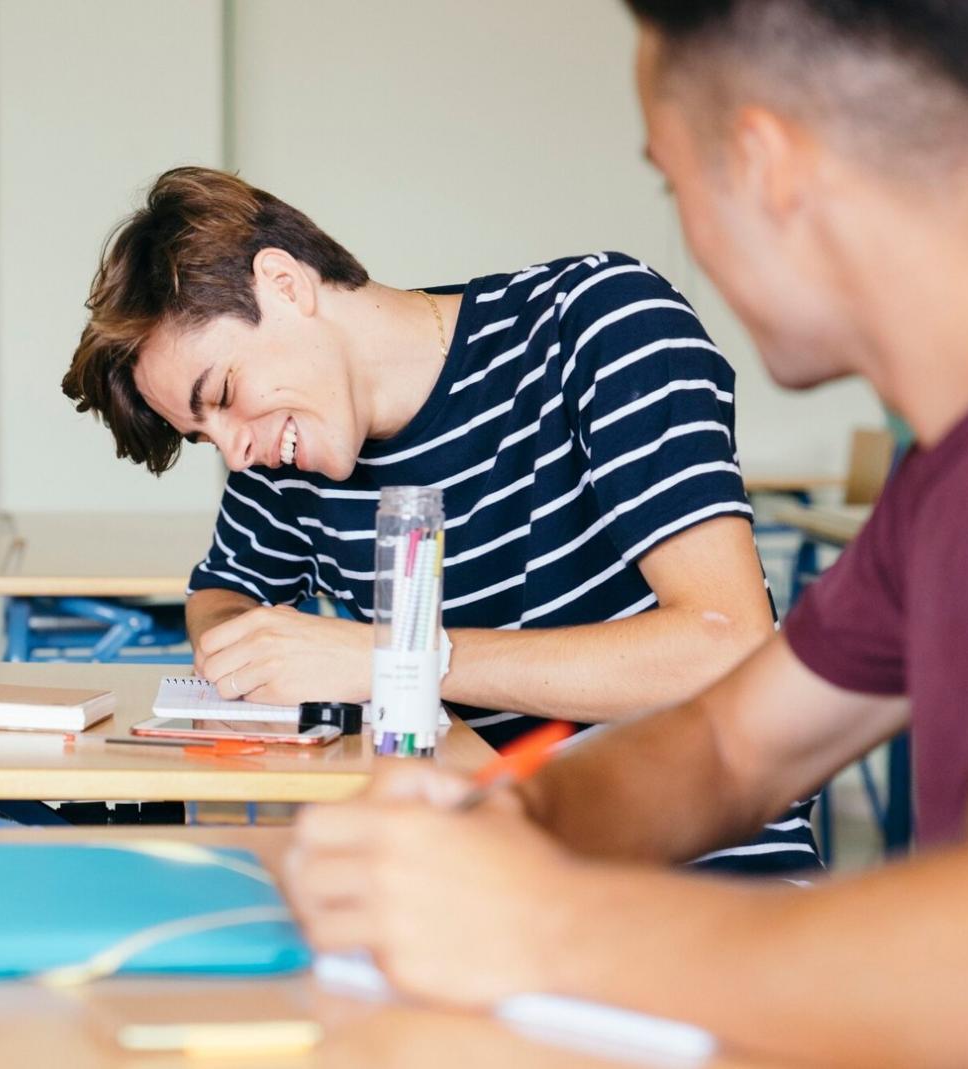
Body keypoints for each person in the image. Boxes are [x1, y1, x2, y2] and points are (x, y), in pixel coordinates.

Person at [287, 1, 968, 1063]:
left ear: (761, 165)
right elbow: (729, 742)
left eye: (674, 181)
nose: (688, 230)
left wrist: (542, 924)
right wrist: (507, 822)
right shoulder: (959, 469)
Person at [63, 166, 817, 875]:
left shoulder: (600, 324)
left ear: (284, 284)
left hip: (698, 869)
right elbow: (223, 593)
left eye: (223, 392)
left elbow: (728, 645)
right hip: (487, 867)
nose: (237, 452)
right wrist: (249, 652)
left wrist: (397, 661)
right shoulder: (289, 454)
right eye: (206, 438)